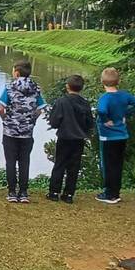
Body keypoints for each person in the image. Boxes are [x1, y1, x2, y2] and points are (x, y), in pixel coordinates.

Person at [95, 67, 135, 204]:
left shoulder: (105, 98)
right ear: (118, 81)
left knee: (107, 165)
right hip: (122, 136)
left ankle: (109, 194)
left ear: (102, 81)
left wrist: (106, 120)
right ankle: (116, 192)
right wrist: (126, 113)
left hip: (108, 137)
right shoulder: (124, 95)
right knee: (117, 165)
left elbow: (101, 110)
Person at [0, 59, 45, 203]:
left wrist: (6, 120)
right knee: (25, 161)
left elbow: (1, 108)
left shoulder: (9, 87)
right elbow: (41, 108)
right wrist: (32, 120)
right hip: (27, 132)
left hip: (10, 132)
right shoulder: (36, 88)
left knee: (10, 161)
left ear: (16, 73)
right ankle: (24, 193)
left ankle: (12, 192)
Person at [46, 74, 94, 203]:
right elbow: (90, 123)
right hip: (79, 139)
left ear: (67, 86)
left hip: (64, 137)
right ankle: (68, 195)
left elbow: (54, 121)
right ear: (82, 88)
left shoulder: (61, 102)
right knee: (74, 166)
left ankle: (54, 192)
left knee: (59, 164)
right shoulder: (85, 103)